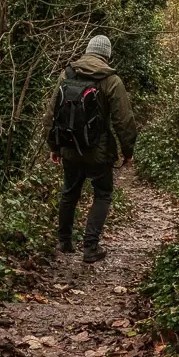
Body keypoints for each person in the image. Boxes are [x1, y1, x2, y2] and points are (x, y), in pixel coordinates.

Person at [42, 35, 137, 263]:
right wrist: (128, 150)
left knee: (69, 192)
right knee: (102, 194)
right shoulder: (111, 79)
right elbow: (123, 120)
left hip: (70, 148)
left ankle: (64, 242)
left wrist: (54, 146)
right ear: (107, 55)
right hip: (98, 151)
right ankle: (90, 247)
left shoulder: (68, 73)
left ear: (87, 51)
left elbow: (51, 113)